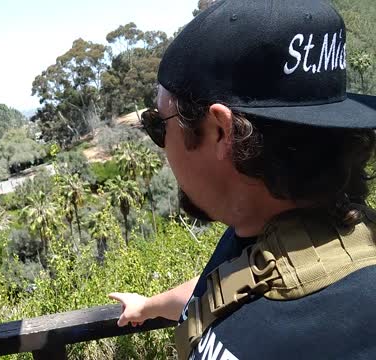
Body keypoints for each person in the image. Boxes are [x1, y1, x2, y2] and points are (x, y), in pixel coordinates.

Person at [109, 0, 376, 359]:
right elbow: (224, 287)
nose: (161, 146)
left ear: (221, 132)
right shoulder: (265, 234)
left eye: (160, 125)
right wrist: (150, 306)